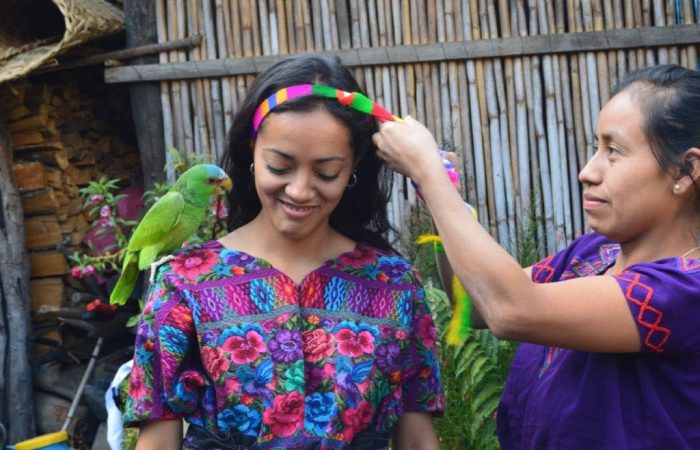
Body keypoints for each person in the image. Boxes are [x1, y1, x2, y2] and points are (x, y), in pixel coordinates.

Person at [123, 54, 444, 450]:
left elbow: (418, 438)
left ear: (353, 167)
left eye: (326, 172)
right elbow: (156, 440)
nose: (299, 190)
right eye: (280, 165)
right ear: (252, 152)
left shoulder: (394, 286)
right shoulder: (185, 282)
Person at [372, 64, 700, 449]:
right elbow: (475, 304)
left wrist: (429, 173)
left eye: (613, 151)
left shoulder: (685, 290)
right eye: (594, 147)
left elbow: (510, 310)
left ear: (686, 169)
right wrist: (444, 197)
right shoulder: (594, 254)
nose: (587, 172)